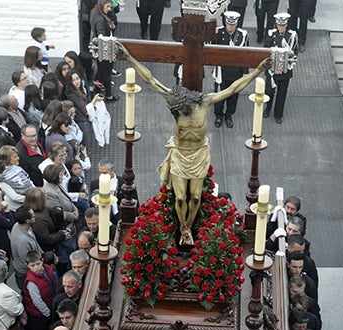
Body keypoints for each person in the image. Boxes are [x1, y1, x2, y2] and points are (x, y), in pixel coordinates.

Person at [115, 42, 270, 244]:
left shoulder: (205, 102)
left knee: (195, 197)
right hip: (180, 154)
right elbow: (150, 79)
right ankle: (184, 229)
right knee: (180, 198)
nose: (178, 113)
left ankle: (188, 227)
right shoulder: (175, 101)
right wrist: (128, 58)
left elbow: (233, 88)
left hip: (198, 155)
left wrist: (257, 71)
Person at [213, 12, 250, 129]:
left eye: (232, 24)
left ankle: (229, 115)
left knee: (233, 95)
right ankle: (219, 115)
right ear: (225, 22)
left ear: (236, 24)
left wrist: (245, 72)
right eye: (228, 24)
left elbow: (245, 54)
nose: (230, 26)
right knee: (219, 95)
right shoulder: (219, 32)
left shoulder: (242, 35)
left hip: (236, 71)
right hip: (222, 71)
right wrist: (212, 35)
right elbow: (211, 48)